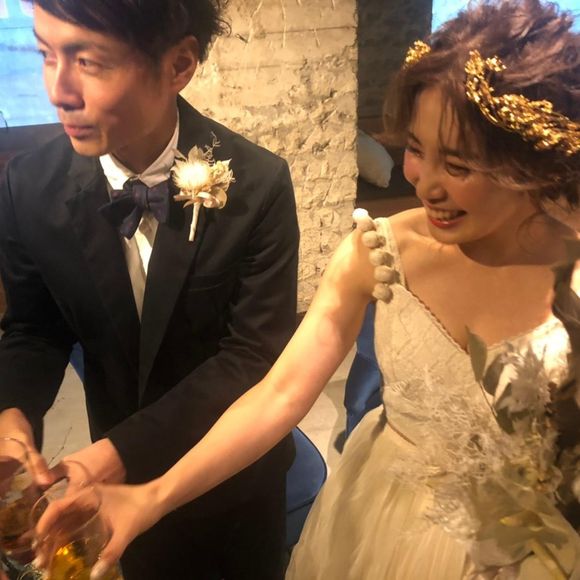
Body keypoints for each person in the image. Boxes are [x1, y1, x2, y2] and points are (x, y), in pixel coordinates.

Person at [48, 0, 580, 578]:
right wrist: (153, 496)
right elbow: (278, 394)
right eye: (415, 149)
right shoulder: (378, 251)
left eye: (457, 165)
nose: (423, 182)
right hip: (385, 522)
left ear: (533, 161)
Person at [0, 1, 300, 579]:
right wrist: (11, 415)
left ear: (179, 65)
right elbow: (34, 328)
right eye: (45, 54)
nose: (57, 91)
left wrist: (115, 455)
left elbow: (250, 358)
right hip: (109, 495)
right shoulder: (29, 186)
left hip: (230, 483)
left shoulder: (258, 185)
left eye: (88, 62)